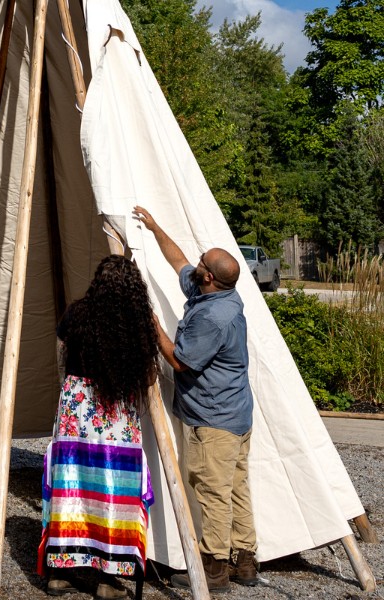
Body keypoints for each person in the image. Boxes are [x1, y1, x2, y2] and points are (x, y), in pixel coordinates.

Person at [132, 206, 259, 594]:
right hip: (236, 412)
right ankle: (245, 559)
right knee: (236, 486)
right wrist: (155, 228)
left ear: (208, 277)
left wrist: (153, 326)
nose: (196, 264)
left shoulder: (212, 318)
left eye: (202, 263)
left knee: (212, 491)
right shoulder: (218, 292)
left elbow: (180, 361)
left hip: (214, 418)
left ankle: (215, 567)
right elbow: (179, 262)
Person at [38, 255, 160, 599]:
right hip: (116, 413)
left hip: (76, 409)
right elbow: (149, 375)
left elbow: (62, 355)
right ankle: (108, 579)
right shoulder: (137, 323)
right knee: (114, 491)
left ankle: (60, 572)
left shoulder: (77, 313)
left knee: (70, 486)